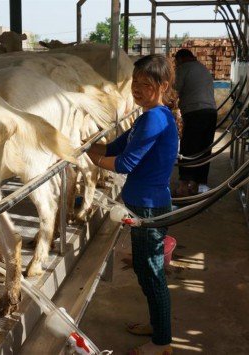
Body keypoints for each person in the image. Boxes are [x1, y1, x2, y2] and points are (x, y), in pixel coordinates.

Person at [86, 54, 178, 355]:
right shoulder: (146, 116)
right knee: (143, 266)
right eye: (134, 83)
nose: (136, 89)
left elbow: (124, 162)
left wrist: (92, 159)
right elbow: (114, 146)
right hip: (142, 204)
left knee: (151, 271)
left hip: (149, 207)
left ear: (163, 85)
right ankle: (158, 324)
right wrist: (84, 143)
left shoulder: (155, 118)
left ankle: (162, 342)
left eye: (145, 84)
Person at [174, 48, 217, 196]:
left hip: (195, 113)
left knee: (188, 148)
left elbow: (173, 91)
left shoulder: (183, 68)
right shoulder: (202, 68)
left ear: (179, 59)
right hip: (211, 113)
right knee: (204, 149)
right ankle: (199, 184)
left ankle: (184, 186)